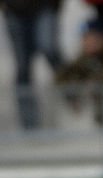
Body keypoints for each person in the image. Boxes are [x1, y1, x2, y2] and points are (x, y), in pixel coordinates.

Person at [2, 0, 62, 129]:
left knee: (49, 49)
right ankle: (29, 125)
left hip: (44, 7)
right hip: (14, 10)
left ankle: (74, 99)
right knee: (23, 67)